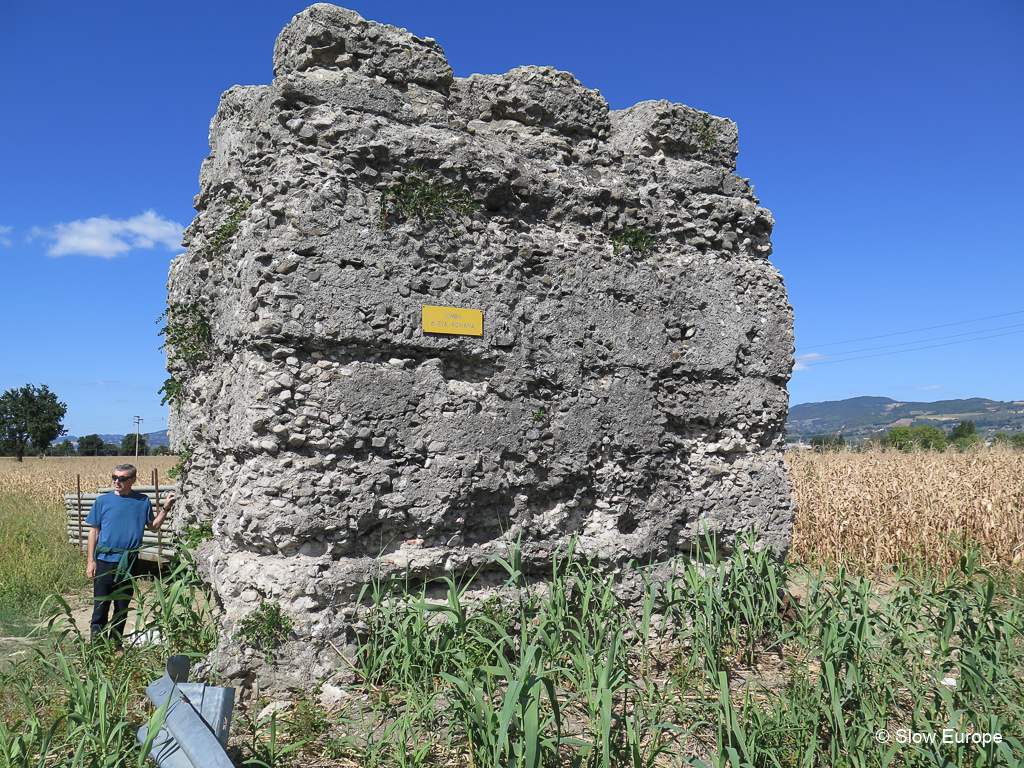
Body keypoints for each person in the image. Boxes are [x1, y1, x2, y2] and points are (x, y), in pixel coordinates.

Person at [85, 463, 175, 648]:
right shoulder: (102, 502)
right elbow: (94, 532)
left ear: (133, 480)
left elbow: (153, 526)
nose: (117, 482)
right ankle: (97, 648)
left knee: (122, 606)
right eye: (114, 478)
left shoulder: (142, 501)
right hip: (104, 561)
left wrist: (165, 508)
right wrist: (90, 561)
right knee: (100, 606)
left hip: (129, 562)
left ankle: (116, 646)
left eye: (122, 478)